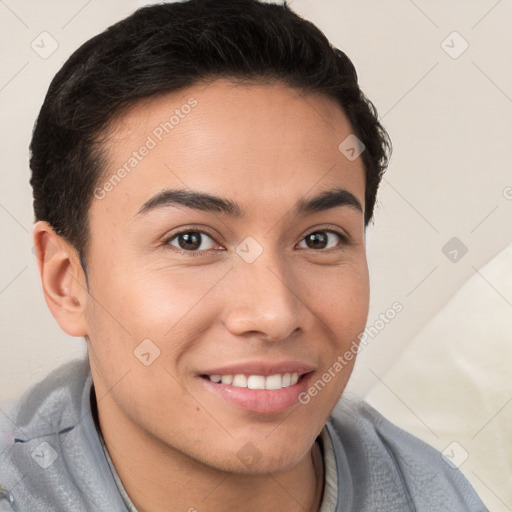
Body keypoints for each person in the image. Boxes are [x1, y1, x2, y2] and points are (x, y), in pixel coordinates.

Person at [0, 0, 487, 510]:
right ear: (66, 281)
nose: (275, 315)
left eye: (319, 239)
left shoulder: (433, 495)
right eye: (191, 240)